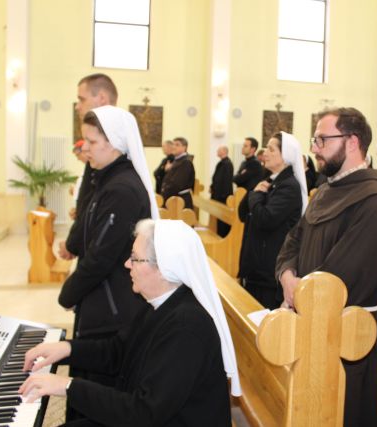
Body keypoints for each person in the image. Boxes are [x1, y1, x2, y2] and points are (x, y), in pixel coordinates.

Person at [20, 219, 241, 427]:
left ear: (164, 268)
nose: (127, 264)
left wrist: (67, 386)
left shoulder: (186, 327)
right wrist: (67, 348)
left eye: (135, 258)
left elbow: (144, 412)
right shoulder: (159, 303)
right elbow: (117, 351)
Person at [276, 107, 377, 426]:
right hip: (311, 323)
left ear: (352, 141)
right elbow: (293, 241)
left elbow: (345, 275)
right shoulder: (326, 190)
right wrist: (288, 276)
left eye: (322, 139)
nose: (314, 148)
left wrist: (300, 292)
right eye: (314, 139)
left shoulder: (375, 201)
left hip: (347, 337)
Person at [58, 106, 160, 389]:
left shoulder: (121, 190)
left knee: (98, 390)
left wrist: (68, 294)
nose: (84, 148)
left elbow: (101, 256)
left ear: (114, 142)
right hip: (101, 300)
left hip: (112, 310)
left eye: (91, 142)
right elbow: (87, 230)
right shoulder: (106, 179)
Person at [239, 132, 307, 309]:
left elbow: (265, 219)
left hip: (268, 271)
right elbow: (242, 213)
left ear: (285, 155)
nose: (265, 153)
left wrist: (255, 195)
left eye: (271, 149)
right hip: (256, 267)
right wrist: (254, 193)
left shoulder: (289, 186)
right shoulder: (269, 180)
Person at [60, 73, 119, 262]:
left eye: (81, 99)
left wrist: (72, 243)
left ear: (101, 98)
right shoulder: (100, 145)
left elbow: (96, 199)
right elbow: (89, 197)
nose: (77, 106)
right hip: (89, 241)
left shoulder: (109, 147)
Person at [161, 137, 195, 209]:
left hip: (180, 201)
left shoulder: (186, 162)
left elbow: (177, 184)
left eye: (177, 145)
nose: (173, 147)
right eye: (173, 144)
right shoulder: (177, 160)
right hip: (173, 200)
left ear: (184, 147)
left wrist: (165, 192)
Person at [210, 145, 234, 237]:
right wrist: (212, 187)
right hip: (218, 195)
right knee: (218, 219)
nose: (217, 151)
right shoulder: (221, 163)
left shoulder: (227, 164)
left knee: (223, 220)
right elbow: (217, 178)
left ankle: (222, 236)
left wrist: (223, 196)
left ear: (224, 151)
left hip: (223, 197)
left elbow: (227, 181)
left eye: (219, 150)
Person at [68, 140, 88, 221]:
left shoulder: (94, 167)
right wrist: (75, 191)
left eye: (78, 155)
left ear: (84, 151)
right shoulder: (86, 168)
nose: (78, 159)